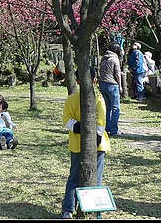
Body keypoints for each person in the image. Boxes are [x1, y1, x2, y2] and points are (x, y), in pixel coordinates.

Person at [61, 67, 110, 219]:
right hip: (98, 145)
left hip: (78, 145)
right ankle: (92, 209)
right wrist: (92, 134)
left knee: (74, 178)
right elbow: (101, 123)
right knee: (96, 177)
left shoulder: (71, 98)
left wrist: (81, 128)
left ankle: (68, 210)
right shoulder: (98, 99)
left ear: (77, 81)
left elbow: (67, 121)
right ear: (95, 81)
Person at [98, 43, 123, 136]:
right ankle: (114, 130)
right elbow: (116, 74)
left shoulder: (104, 58)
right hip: (112, 85)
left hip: (103, 84)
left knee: (108, 108)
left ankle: (107, 128)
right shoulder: (115, 59)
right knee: (116, 108)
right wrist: (120, 86)